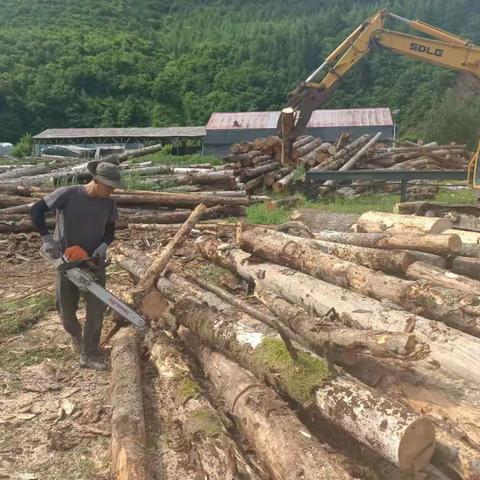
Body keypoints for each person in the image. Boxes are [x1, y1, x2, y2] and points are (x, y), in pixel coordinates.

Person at [30, 161, 124, 370]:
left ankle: (90, 352)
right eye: (109, 186)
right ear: (97, 180)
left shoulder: (109, 204)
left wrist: (104, 245)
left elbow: (110, 230)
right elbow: (36, 210)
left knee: (96, 307)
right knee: (66, 311)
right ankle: (75, 333)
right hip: (68, 262)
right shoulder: (68, 194)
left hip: (94, 262)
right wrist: (47, 239)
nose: (111, 190)